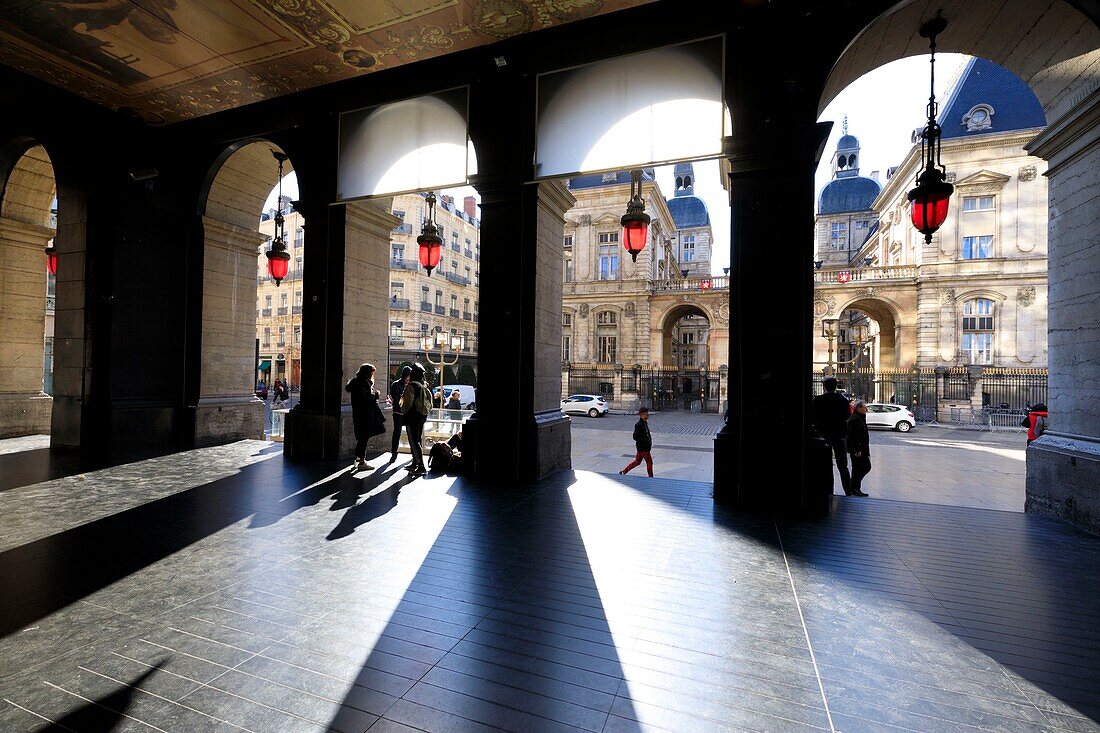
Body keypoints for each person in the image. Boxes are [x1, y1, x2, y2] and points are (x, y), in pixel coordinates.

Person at [812, 377, 854, 496]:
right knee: (843, 465)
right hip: (839, 434)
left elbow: (813, 417)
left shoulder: (818, 400)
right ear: (835, 386)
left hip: (823, 434)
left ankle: (829, 491)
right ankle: (848, 491)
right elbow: (847, 415)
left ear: (824, 386)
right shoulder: (842, 400)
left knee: (826, 465)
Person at [345, 363, 385, 473]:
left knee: (362, 437)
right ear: (367, 373)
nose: (373, 375)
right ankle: (361, 461)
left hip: (359, 414)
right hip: (365, 414)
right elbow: (366, 399)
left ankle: (358, 459)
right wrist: (376, 394)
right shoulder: (363, 383)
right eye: (372, 373)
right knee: (364, 438)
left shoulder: (356, 382)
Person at [399, 363, 432, 476]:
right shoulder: (424, 386)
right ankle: (415, 463)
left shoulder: (411, 386)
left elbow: (407, 404)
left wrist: (403, 410)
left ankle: (421, 466)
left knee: (413, 440)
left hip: (412, 416)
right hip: (421, 416)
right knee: (417, 439)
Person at [846, 400, 871, 497]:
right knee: (862, 468)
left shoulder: (860, 417)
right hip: (858, 449)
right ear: (859, 408)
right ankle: (854, 488)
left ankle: (855, 488)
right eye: (864, 407)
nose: (866, 409)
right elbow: (853, 436)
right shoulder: (855, 419)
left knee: (861, 468)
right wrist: (856, 450)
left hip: (862, 448)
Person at [619, 407, 654, 477]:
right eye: (646, 413)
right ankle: (651, 477)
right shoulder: (639, 425)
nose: (648, 415)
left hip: (642, 448)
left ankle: (624, 472)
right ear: (642, 414)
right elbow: (635, 437)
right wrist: (646, 440)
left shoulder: (644, 423)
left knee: (637, 462)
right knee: (649, 462)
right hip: (643, 448)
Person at [388, 365, 412, 463]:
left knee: (410, 433)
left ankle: (413, 452)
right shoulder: (396, 384)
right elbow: (396, 399)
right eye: (408, 377)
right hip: (398, 412)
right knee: (397, 433)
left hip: (407, 412)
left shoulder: (410, 385)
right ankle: (394, 453)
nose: (409, 379)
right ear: (404, 376)